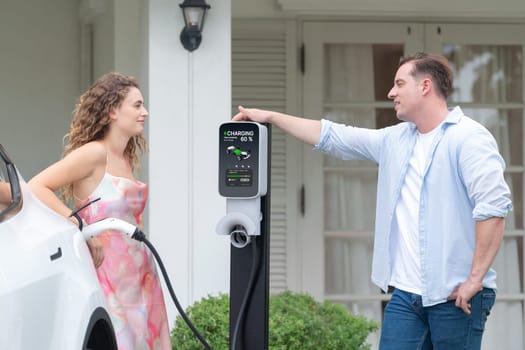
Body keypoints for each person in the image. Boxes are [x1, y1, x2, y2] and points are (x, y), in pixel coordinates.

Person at [232, 52, 513, 350]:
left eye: (399, 83)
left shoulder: (468, 138)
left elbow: (493, 208)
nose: (391, 92)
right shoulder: (394, 140)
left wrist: (474, 280)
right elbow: (332, 136)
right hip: (406, 296)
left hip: (455, 295)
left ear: (425, 86)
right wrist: (272, 117)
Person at [29, 72, 171, 350]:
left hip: (141, 277)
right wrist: (80, 225)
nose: (145, 112)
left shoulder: (126, 156)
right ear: (113, 110)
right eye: (137, 105)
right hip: (106, 273)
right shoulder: (94, 154)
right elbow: (37, 187)